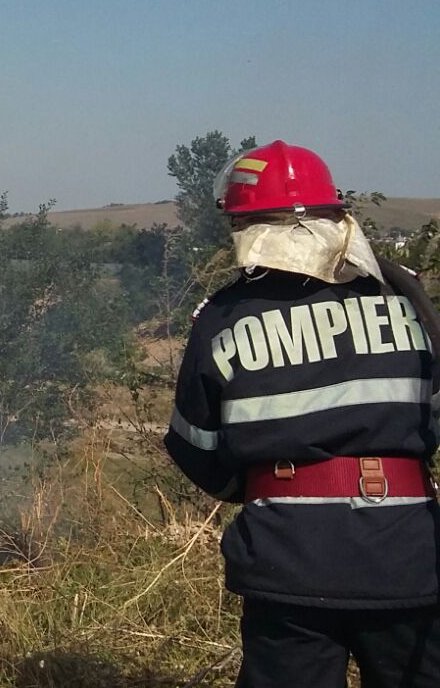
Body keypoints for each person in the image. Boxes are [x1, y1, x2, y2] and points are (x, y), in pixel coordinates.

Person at [164, 140, 440, 687]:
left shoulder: (223, 317)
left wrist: (267, 488)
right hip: (408, 553)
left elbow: (195, 445)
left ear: (246, 226)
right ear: (335, 215)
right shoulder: (406, 299)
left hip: (287, 556)